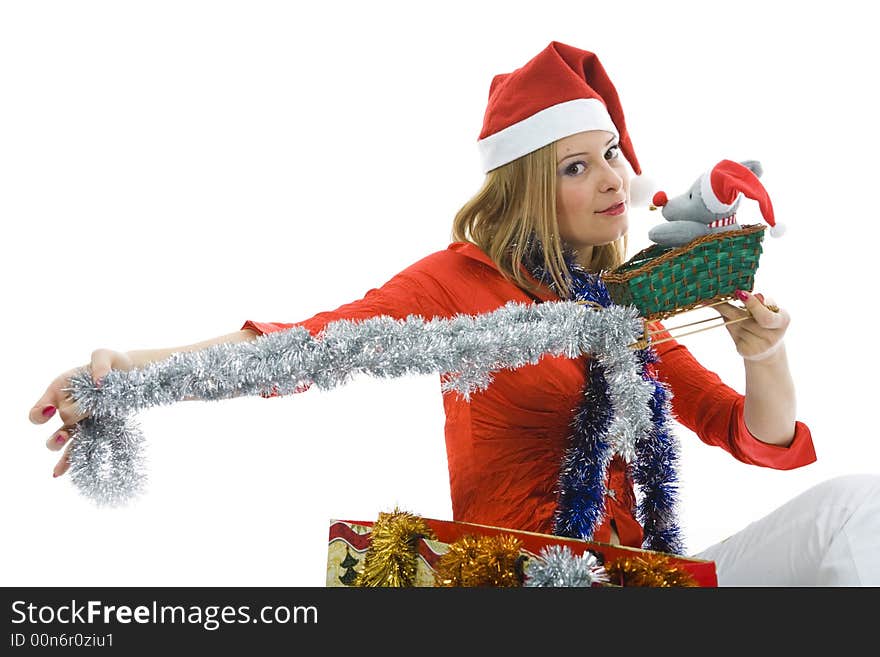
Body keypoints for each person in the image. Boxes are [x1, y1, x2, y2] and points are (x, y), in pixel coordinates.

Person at [30, 41, 879, 586]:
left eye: (612, 152)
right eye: (577, 166)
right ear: (527, 187)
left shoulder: (624, 306)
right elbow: (303, 348)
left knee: (856, 509)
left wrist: (763, 352)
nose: (615, 177)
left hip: (647, 581)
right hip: (524, 585)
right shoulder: (461, 283)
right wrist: (127, 373)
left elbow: (758, 438)